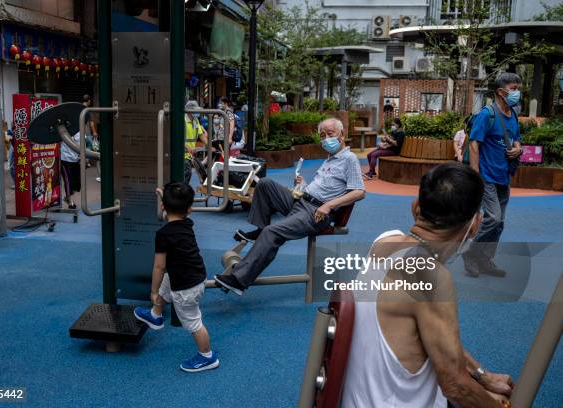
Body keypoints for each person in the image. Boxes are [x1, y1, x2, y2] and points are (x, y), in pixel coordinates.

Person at [342, 162, 514, 407]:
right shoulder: (432, 278)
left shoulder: (384, 241)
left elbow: (434, 338)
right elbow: (455, 386)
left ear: (416, 207)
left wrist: (483, 377)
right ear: (475, 225)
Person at [214, 118, 366, 295]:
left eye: (330, 134)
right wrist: (304, 184)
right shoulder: (330, 159)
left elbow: (359, 192)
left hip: (317, 212)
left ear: (342, 135)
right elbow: (324, 187)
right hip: (303, 200)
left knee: (272, 232)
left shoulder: (349, 159)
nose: (325, 139)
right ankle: (260, 228)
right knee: (264, 184)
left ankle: (239, 280)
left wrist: (329, 206)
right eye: (322, 135)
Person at [134, 182, 219, 373]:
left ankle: (207, 356)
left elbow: (159, 266)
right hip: (193, 275)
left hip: (186, 287)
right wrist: (163, 196)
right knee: (167, 284)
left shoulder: (163, 234)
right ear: (190, 209)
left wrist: (153, 291)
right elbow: (174, 213)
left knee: (193, 322)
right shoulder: (187, 223)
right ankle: (156, 315)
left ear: (163, 207)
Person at [463, 72, 523, 278]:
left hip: (503, 176)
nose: (517, 93)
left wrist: (518, 149)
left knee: (500, 223)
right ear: (500, 91)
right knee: (494, 219)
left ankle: (485, 259)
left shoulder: (512, 115)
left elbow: (516, 138)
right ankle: (470, 254)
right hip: (486, 176)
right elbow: (473, 144)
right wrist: (475, 176)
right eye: (514, 89)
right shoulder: (486, 114)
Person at [184, 100, 208, 184]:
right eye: (195, 110)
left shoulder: (195, 120)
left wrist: (209, 145)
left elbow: (201, 135)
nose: (197, 112)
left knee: (201, 171)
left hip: (190, 154)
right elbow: (178, 137)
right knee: (187, 173)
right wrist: (188, 148)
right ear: (189, 111)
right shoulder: (182, 121)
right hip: (182, 154)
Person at [60, 131, 81, 209]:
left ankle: (67, 198)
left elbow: (82, 144)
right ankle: (70, 201)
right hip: (64, 158)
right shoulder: (63, 130)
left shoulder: (79, 131)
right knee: (68, 181)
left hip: (76, 159)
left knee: (77, 184)